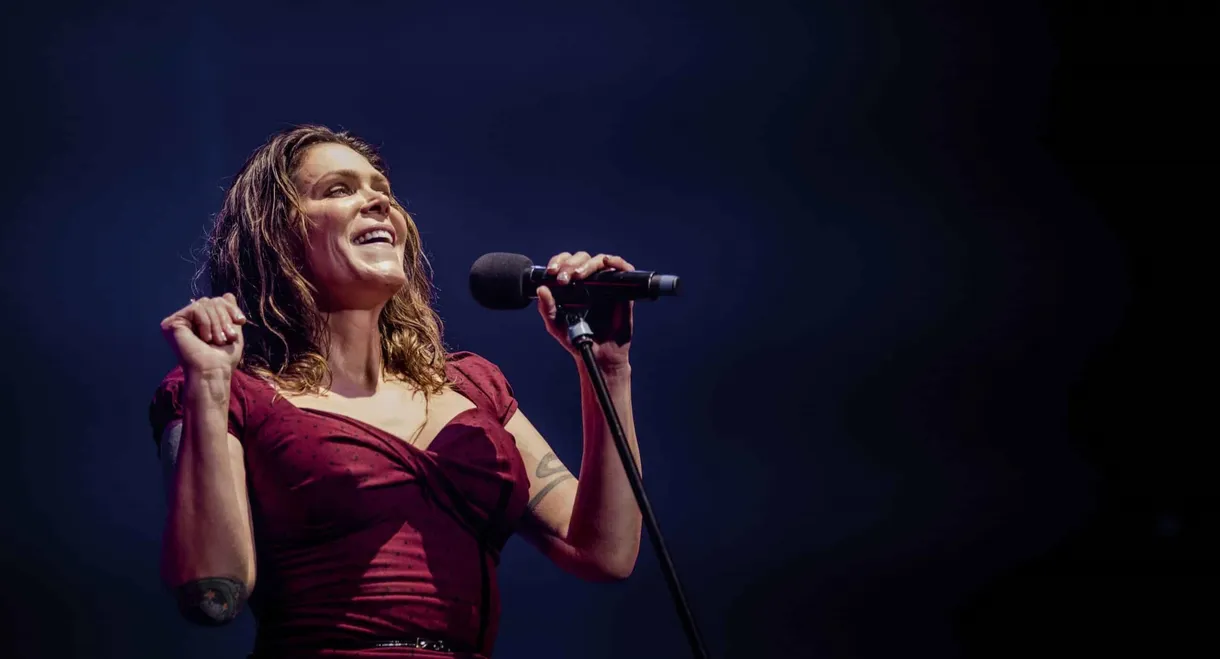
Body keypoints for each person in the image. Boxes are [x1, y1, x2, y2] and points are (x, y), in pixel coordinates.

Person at [149, 125, 643, 658]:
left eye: (381, 188)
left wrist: (609, 368)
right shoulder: (228, 392)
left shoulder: (473, 387)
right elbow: (211, 597)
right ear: (276, 237)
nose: (378, 200)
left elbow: (606, 552)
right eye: (339, 189)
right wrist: (209, 388)